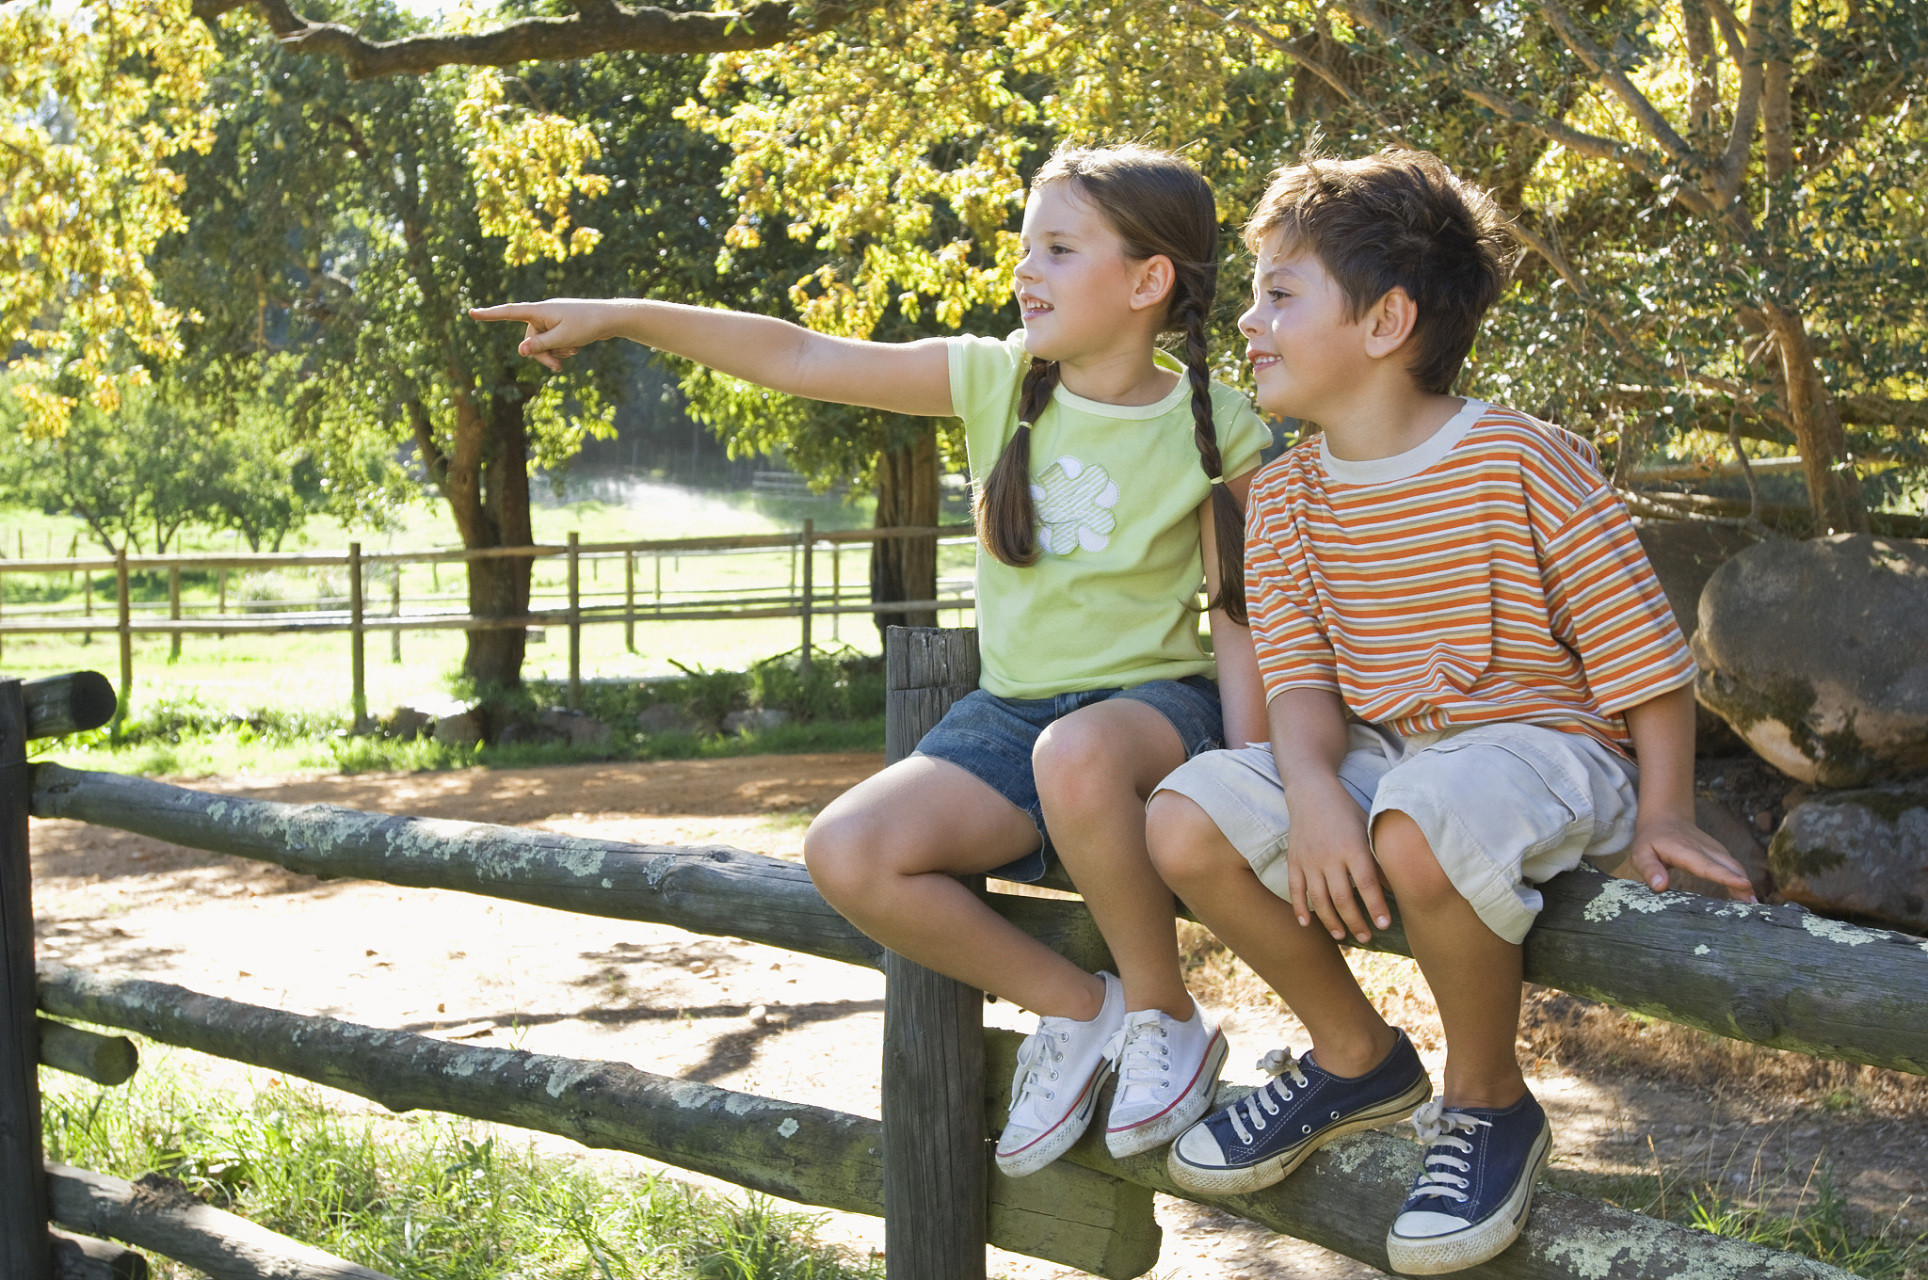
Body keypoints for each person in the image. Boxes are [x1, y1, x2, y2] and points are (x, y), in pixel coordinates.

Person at [471, 144, 1273, 1176]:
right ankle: (1085, 1008)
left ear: (1146, 278)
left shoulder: (1218, 427)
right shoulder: (993, 380)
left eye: (1058, 249)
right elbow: (799, 355)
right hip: (1012, 720)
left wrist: (1255, 773)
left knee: (1076, 751)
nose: (1025, 270)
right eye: (1024, 246)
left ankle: (1167, 1011)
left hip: (1153, 716)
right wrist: (623, 312)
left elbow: (1242, 617)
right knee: (846, 849)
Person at [1141, 149, 1756, 1274]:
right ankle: (1354, 1056)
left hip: (1545, 749)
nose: (1245, 321)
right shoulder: (1277, 498)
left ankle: (1487, 1103)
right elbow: (1300, 689)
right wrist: (1313, 792)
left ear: (1384, 320)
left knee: (1418, 816)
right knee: (1184, 815)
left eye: (1279, 294)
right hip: (1383, 760)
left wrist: (1665, 804)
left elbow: (1642, 659)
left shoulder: (1519, 458)